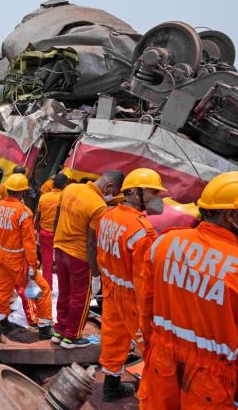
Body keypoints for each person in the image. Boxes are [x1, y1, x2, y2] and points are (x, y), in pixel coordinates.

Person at [139, 171, 238, 409]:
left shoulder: (165, 243)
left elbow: (146, 302)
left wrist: (153, 344)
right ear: (232, 214)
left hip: (162, 358)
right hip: (210, 378)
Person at [96, 168, 163, 402]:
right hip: (132, 298)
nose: (158, 198)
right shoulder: (142, 231)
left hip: (111, 288)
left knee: (113, 336)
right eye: (154, 192)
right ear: (134, 193)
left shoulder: (108, 216)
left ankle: (111, 386)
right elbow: (145, 280)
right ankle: (152, 399)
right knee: (152, 347)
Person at [51, 170, 125, 349]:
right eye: (113, 193)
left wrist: (55, 242)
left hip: (60, 250)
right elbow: (92, 243)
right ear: (109, 187)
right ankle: (72, 337)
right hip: (79, 257)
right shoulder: (98, 206)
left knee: (64, 292)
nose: (111, 197)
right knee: (80, 298)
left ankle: (59, 331)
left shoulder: (70, 188)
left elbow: (56, 218)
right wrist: (95, 275)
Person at [0, 174, 53, 339]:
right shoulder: (24, 212)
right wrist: (33, 265)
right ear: (22, 192)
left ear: (7, 189)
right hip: (18, 260)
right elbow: (29, 243)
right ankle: (45, 327)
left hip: (1, 256)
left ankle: (3, 322)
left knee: (3, 290)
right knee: (42, 290)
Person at [35, 173, 68, 289]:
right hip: (60, 234)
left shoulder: (43, 197)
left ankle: (47, 286)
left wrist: (37, 233)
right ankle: (64, 287)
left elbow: (38, 217)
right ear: (64, 185)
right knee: (62, 263)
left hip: (45, 234)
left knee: (47, 262)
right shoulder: (65, 198)